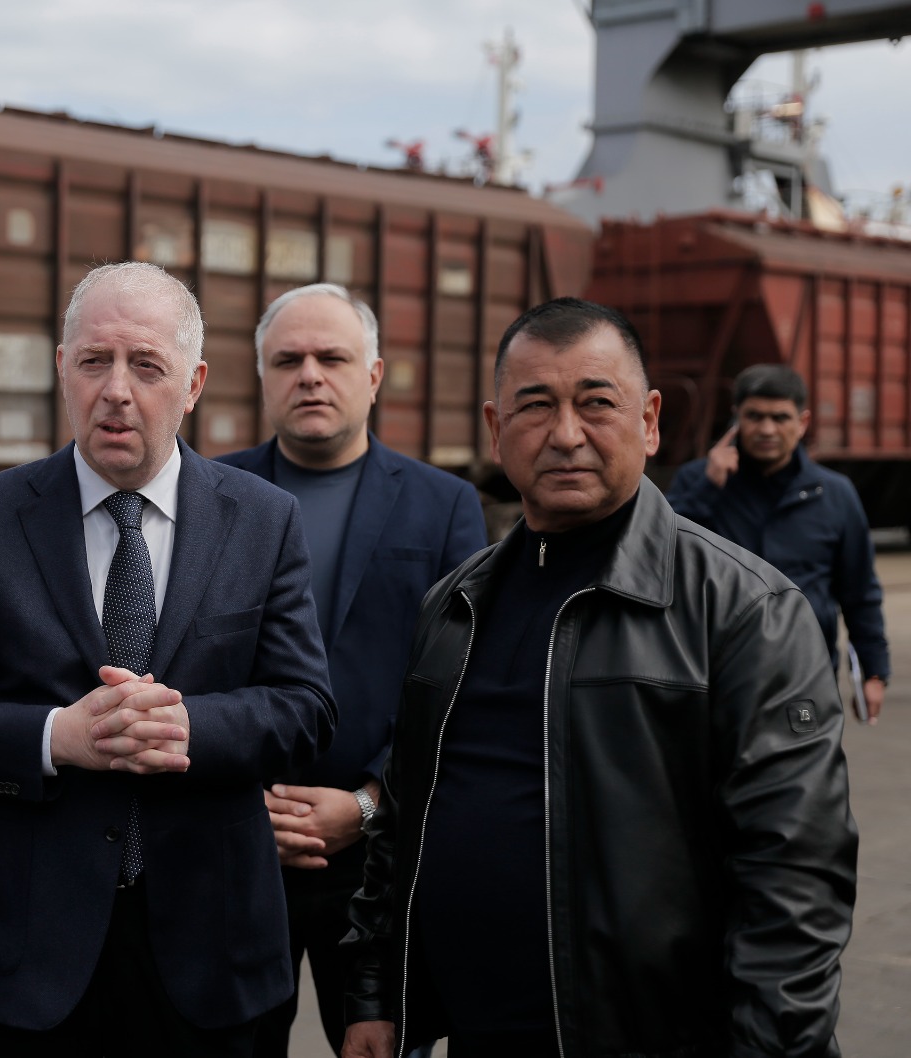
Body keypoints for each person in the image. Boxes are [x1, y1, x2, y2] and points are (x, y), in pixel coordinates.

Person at [341, 298, 856, 1058]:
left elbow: (795, 880)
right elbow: (403, 821)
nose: (566, 434)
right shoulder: (455, 605)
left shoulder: (746, 610)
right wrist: (375, 994)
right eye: (536, 406)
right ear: (494, 430)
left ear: (649, 421)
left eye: (596, 403)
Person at [0, 261, 337, 1057]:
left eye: (147, 366)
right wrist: (56, 738)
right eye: (95, 361)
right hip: (25, 958)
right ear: (63, 369)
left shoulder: (264, 521)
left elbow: (306, 709)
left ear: (193, 384)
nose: (117, 390)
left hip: (213, 955)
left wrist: (189, 727)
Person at [215, 283, 484, 1057]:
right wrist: (243, 802)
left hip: (378, 866)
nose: (310, 375)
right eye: (287, 360)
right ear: (261, 376)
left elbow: (460, 685)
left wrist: (368, 805)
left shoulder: (444, 507)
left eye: (332, 358)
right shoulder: (205, 496)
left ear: (373, 375)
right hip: (236, 851)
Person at [667, 364, 889, 722]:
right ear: (736, 418)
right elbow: (664, 557)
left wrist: (874, 671)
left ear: (802, 422)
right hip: (714, 675)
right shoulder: (699, 482)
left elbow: (860, 592)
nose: (767, 429)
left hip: (806, 675)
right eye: (754, 416)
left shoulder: (834, 494)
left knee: (810, 760)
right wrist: (708, 488)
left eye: (780, 417)